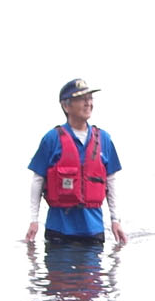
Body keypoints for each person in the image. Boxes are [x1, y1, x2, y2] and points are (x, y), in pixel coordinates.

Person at [25, 78, 126, 247]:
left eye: (90, 98)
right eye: (82, 99)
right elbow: (37, 180)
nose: (88, 103)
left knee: (94, 274)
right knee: (57, 274)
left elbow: (111, 182)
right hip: (59, 230)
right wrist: (33, 220)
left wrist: (115, 220)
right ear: (66, 106)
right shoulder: (51, 139)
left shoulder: (104, 140)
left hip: (93, 230)